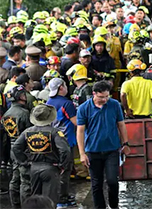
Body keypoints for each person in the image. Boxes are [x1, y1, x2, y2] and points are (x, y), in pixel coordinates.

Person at [77, 81, 130, 209]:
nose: (105, 99)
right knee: (96, 183)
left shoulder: (115, 105)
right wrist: (82, 153)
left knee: (112, 181)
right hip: (93, 151)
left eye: (107, 96)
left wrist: (126, 143)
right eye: (102, 97)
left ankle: (114, 205)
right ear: (94, 94)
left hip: (112, 149)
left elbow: (121, 125)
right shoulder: (84, 108)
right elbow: (80, 130)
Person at [12, 104, 71, 206]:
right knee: (49, 201)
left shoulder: (27, 132)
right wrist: (62, 165)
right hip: (50, 168)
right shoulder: (55, 132)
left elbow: (16, 147)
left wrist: (24, 162)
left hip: (33, 168)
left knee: (35, 201)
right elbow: (65, 150)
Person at [46, 78, 77, 207]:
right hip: (66, 140)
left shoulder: (48, 102)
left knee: (55, 168)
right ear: (61, 88)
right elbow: (76, 122)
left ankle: (55, 195)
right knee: (65, 169)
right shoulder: (67, 104)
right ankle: (62, 198)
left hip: (52, 140)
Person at [1, 86, 32, 207]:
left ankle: (15, 204)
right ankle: (26, 205)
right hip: (24, 149)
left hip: (13, 148)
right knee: (25, 180)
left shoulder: (6, 114)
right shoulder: (24, 113)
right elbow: (30, 133)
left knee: (15, 178)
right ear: (20, 96)